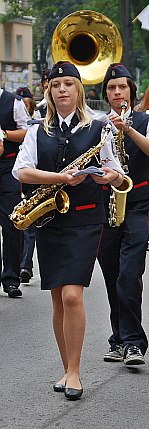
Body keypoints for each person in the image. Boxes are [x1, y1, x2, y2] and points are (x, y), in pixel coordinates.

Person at [12, 60, 124, 399]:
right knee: (59, 299)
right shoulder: (36, 131)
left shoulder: (99, 128)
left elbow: (117, 172)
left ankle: (74, 371)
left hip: (85, 220)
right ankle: (66, 367)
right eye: (57, 84)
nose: (62, 89)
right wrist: (60, 178)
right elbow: (22, 171)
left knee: (73, 294)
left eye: (69, 84)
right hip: (49, 220)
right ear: (49, 90)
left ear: (80, 91)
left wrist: (110, 175)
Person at [97, 62, 149, 366]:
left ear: (131, 90)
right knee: (112, 276)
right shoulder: (96, 124)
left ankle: (135, 342)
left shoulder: (145, 120)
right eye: (111, 88)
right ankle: (119, 338)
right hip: (106, 207)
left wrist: (128, 129)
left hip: (136, 205)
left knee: (129, 274)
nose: (117, 92)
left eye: (122, 87)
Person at [0, 78, 29, 298]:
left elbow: (27, 132)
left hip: (7, 166)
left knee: (11, 221)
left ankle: (11, 278)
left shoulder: (13, 102)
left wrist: (4, 134)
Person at [15, 87, 37, 284]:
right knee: (25, 225)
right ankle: (24, 265)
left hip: (40, 177)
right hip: (22, 176)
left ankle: (25, 265)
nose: (23, 103)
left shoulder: (38, 118)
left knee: (30, 228)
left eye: (26, 101)